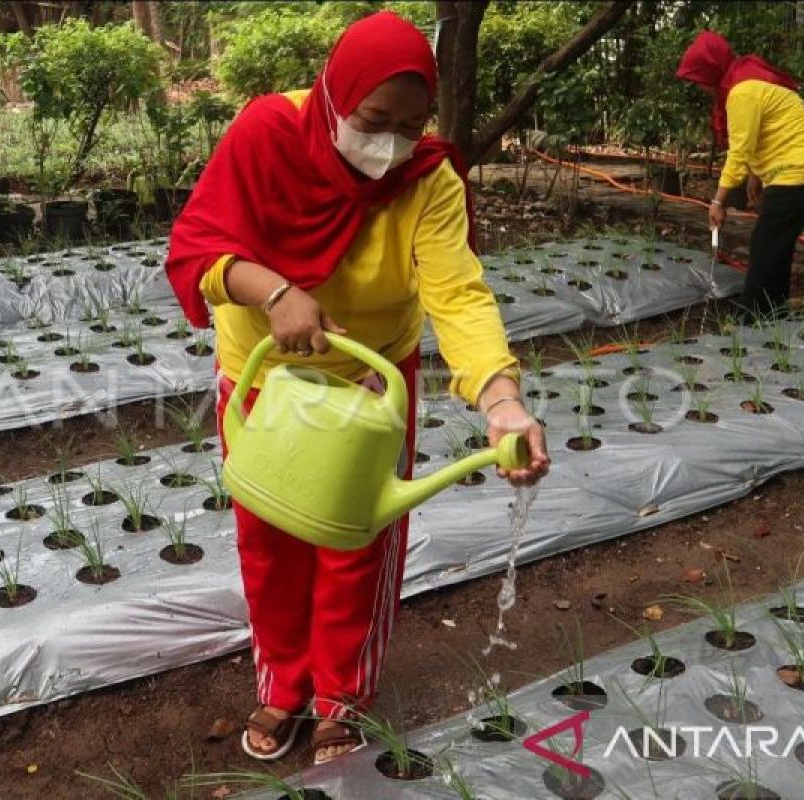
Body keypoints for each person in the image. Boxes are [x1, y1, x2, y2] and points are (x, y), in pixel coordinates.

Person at [166, 11, 549, 766]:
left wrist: (501, 400)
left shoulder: (427, 179)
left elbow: (459, 295)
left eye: (412, 125)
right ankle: (282, 684)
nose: (390, 144)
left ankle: (341, 696)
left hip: (370, 383)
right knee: (269, 538)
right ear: (336, 95)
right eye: (374, 120)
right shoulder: (268, 133)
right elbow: (200, 249)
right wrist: (276, 292)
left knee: (357, 542)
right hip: (264, 376)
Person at [676, 30, 804, 320]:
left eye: (697, 79)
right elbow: (760, 137)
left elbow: (738, 152)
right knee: (777, 242)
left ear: (710, 70)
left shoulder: (741, 93)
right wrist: (755, 175)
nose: (699, 87)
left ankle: (750, 319)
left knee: (765, 244)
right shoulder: (747, 79)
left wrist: (718, 201)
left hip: (801, 169)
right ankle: (774, 311)